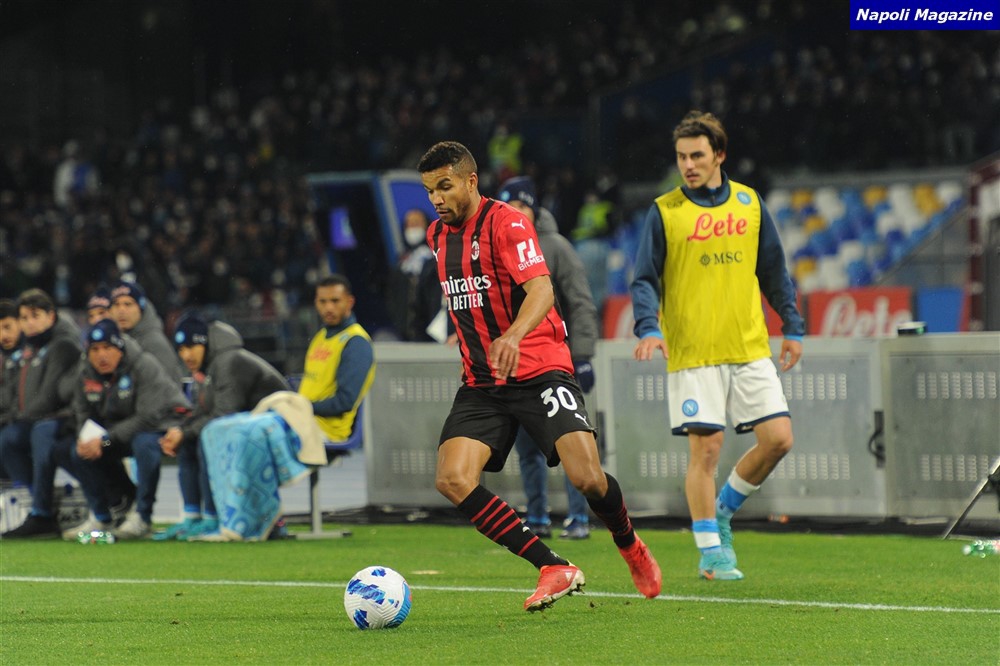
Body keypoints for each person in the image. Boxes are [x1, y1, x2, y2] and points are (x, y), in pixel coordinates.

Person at [417, 141, 660, 612]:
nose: (437, 199)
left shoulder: (507, 223)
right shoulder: (436, 236)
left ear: (471, 180)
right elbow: (470, 296)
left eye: (445, 187)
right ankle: (552, 566)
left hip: (540, 369)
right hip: (484, 382)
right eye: (430, 191)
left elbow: (542, 290)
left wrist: (512, 335)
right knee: (452, 478)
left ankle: (629, 542)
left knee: (587, 478)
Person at [630, 111, 804, 580]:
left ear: (719, 155)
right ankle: (711, 552)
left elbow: (774, 271)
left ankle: (723, 511)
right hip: (694, 352)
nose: (688, 165)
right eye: (681, 157)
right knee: (706, 450)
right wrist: (648, 327)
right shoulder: (665, 211)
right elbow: (644, 279)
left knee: (779, 440)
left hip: (748, 346)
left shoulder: (749, 203)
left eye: (697, 155)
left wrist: (792, 326)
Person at [496, 176, 599, 540]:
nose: (515, 212)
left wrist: (582, 355)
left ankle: (578, 517)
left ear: (534, 209)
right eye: (508, 205)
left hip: (556, 361)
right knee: (527, 448)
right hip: (517, 361)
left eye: (522, 205)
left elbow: (580, 302)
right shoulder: (496, 243)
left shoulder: (555, 246)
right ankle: (538, 516)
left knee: (570, 443)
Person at [154, 312, 289, 540]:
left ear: (205, 342)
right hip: (249, 430)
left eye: (191, 347)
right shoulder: (208, 368)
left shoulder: (228, 361)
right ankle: (192, 517)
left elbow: (223, 414)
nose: (186, 355)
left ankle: (213, 517)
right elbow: (203, 411)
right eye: (181, 349)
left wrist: (185, 432)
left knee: (207, 439)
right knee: (189, 442)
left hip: (280, 431)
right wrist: (179, 432)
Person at [65, 319, 190, 540]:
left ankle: (142, 516)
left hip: (161, 425)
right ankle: (101, 516)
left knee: (144, 445)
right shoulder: (85, 372)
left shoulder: (143, 364)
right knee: (80, 452)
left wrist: (105, 439)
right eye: (95, 350)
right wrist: (86, 439)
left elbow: (147, 417)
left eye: (107, 348)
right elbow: (83, 413)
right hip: (119, 431)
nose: (101, 355)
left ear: (120, 348)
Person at [0, 289, 82, 538]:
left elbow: (50, 396)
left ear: (51, 316)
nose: (29, 323)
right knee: (8, 439)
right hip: (35, 419)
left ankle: (42, 512)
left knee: (40, 434)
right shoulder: (29, 350)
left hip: (67, 419)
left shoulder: (63, 345)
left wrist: (16, 417)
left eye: (35, 316)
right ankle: (33, 502)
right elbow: (13, 395)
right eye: (24, 318)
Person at [298, 275, 376, 444]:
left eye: (335, 301)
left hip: (327, 431)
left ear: (349, 302)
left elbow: (345, 402)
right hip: (303, 420)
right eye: (323, 301)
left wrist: (303, 407)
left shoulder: (356, 342)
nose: (328, 307)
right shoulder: (320, 337)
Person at [109, 280, 185, 385]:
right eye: (116, 304)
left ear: (141, 309)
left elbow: (169, 388)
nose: (121, 310)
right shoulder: (112, 341)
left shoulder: (154, 343)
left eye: (128, 304)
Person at [386, 208, 441, 342]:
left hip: (432, 335)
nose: (412, 228)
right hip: (404, 336)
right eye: (408, 224)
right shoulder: (402, 263)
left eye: (416, 223)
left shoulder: (438, 259)